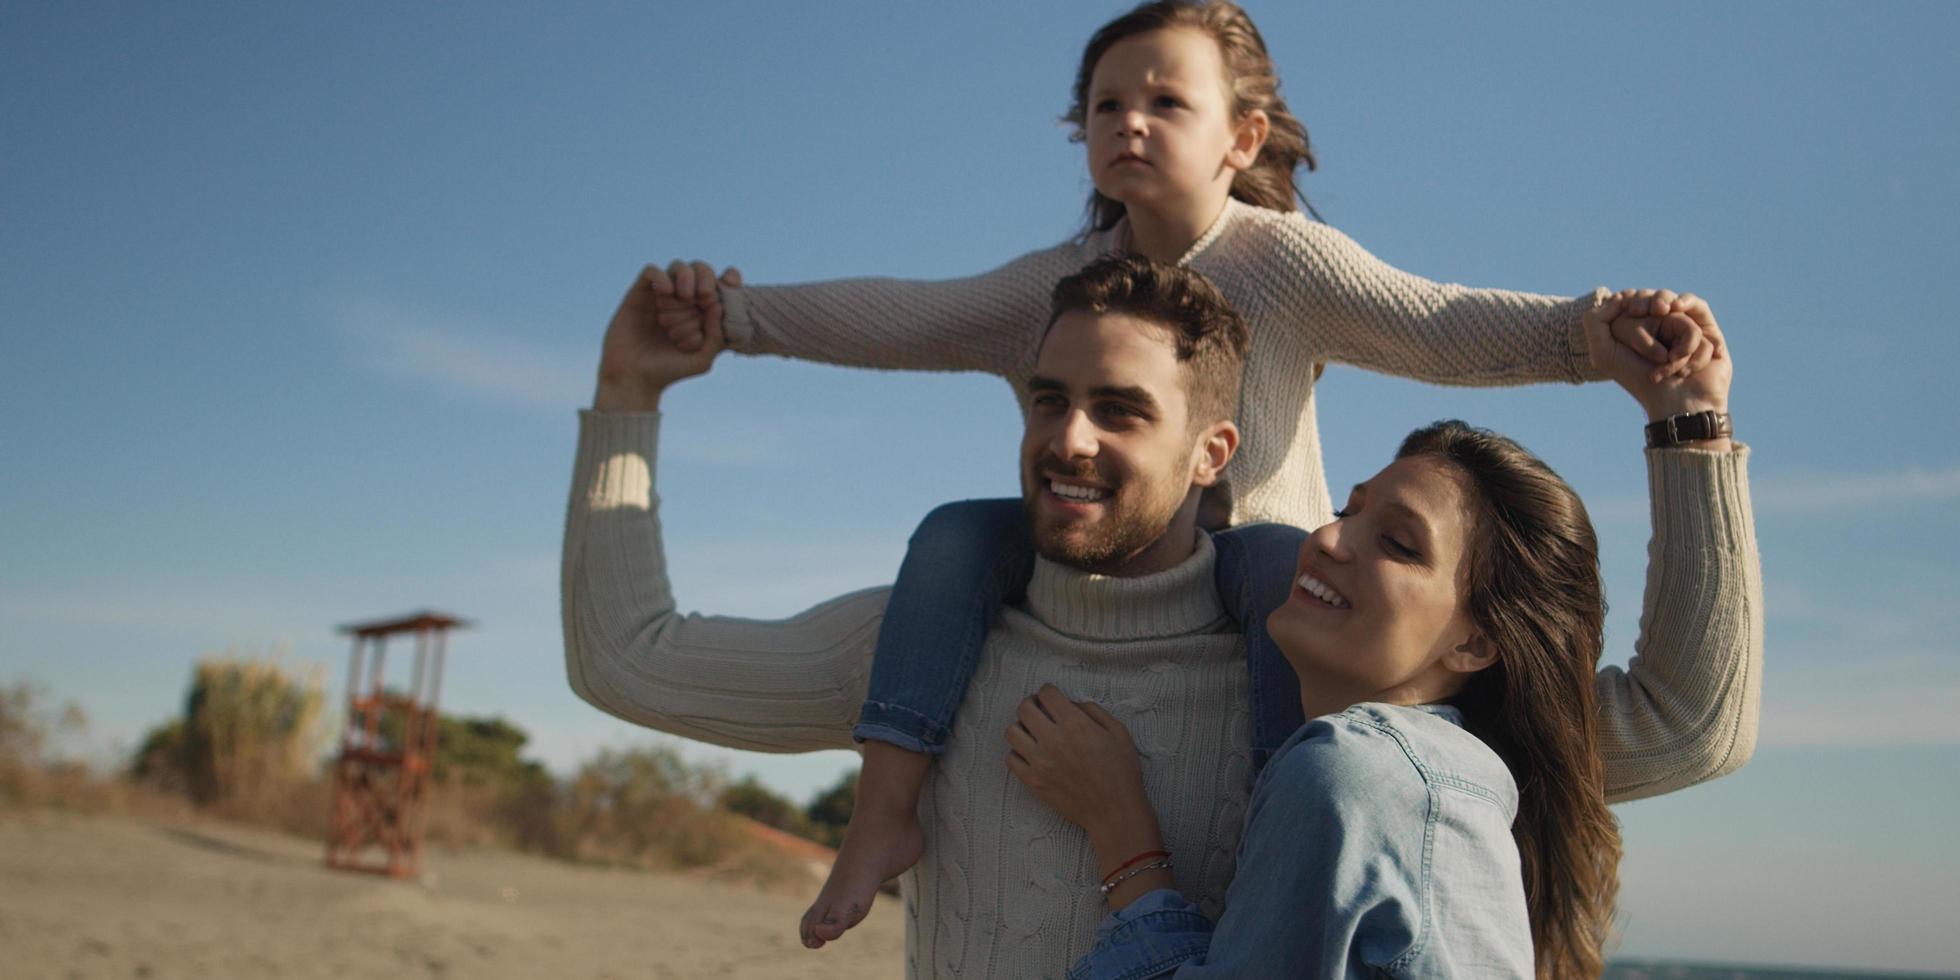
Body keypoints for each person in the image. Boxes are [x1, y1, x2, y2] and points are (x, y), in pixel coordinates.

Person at [562, 254, 1761, 977]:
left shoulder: (1335, 697)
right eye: (1048, 399)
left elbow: (1687, 721)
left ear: (1212, 452)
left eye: (1121, 410)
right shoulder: (919, 656)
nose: (1066, 438)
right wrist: (627, 398)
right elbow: (631, 660)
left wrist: (1688, 427)